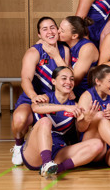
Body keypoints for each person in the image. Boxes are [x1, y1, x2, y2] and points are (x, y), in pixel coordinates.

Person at [21, 67, 104, 177]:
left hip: (58, 151)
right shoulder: (45, 97)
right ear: (54, 81)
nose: (68, 82)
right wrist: (64, 107)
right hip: (35, 153)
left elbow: (81, 128)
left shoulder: (75, 105)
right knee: (45, 121)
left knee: (97, 144)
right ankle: (46, 163)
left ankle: (57, 168)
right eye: (64, 78)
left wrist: (88, 119)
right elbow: (36, 108)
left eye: (71, 79)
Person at [11, 17, 71, 165]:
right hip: (34, 97)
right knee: (19, 119)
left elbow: (68, 76)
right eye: (45, 29)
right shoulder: (34, 52)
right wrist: (34, 97)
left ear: (57, 30)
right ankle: (19, 145)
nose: (50, 32)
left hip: (56, 97)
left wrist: (56, 56)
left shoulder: (64, 50)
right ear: (39, 34)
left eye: (52, 27)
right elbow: (25, 79)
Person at [58, 16, 99, 98]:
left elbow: (74, 81)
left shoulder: (87, 48)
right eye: (59, 27)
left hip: (83, 96)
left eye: (62, 31)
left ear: (74, 36)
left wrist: (56, 56)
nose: (57, 31)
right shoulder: (64, 43)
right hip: (67, 92)